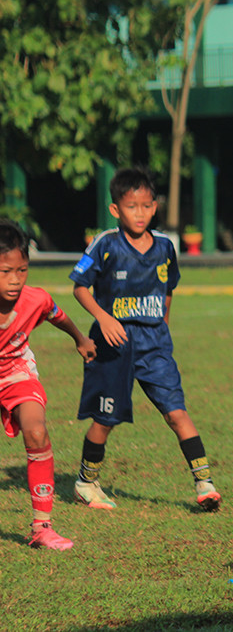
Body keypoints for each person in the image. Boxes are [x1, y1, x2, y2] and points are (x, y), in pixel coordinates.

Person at [69, 167, 221, 511]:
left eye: (147, 205)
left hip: (154, 345)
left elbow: (168, 290)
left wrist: (162, 326)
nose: (140, 213)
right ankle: (85, 482)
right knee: (105, 420)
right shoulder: (106, 243)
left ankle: (204, 483)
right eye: (132, 206)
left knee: (176, 412)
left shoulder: (165, 247)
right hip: (114, 344)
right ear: (115, 210)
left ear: (156, 207)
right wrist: (104, 317)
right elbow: (79, 287)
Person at [0, 221, 96, 549]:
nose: (15, 280)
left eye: (22, 270)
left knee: (37, 432)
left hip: (16, 373)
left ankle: (42, 527)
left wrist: (80, 338)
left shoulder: (34, 299)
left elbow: (57, 314)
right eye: (5, 271)